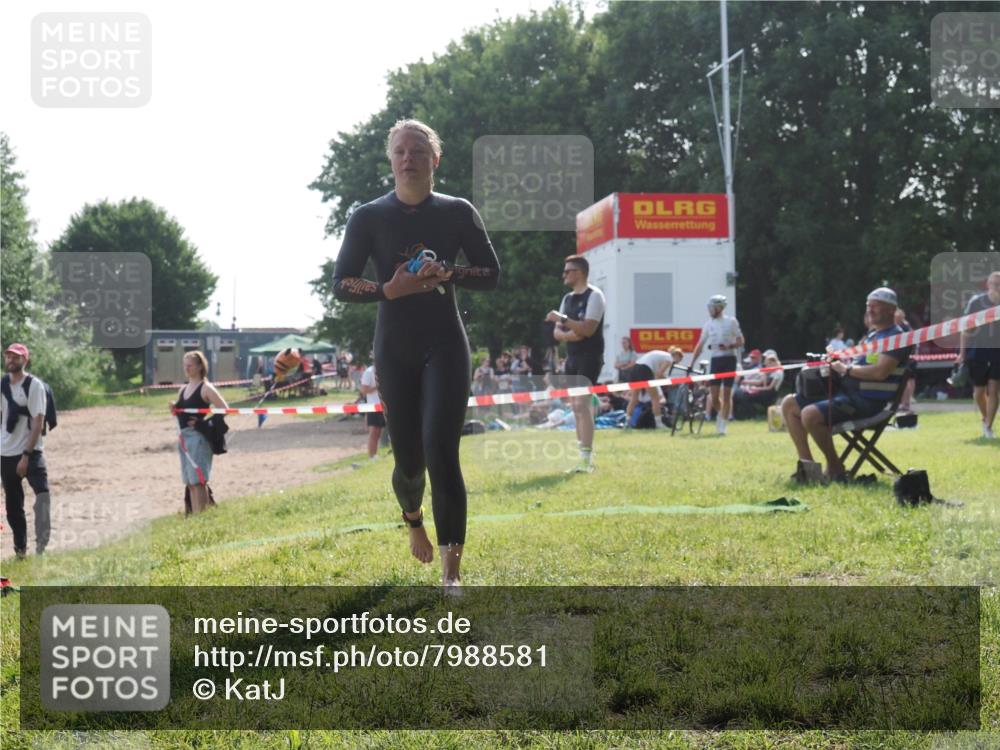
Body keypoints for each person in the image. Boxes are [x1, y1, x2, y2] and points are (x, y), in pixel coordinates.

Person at [331, 118, 500, 587]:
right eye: (401, 151)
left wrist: (449, 273)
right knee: (409, 461)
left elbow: (491, 273)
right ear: (391, 160)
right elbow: (341, 283)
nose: (409, 158)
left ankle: (452, 575)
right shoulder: (368, 216)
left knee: (441, 451)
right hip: (394, 348)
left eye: (419, 151)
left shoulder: (457, 212)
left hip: (445, 342)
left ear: (435, 160)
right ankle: (412, 518)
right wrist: (389, 288)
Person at [780, 287, 912, 481]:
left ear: (891, 310)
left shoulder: (896, 338)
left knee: (809, 414)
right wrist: (836, 363)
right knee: (788, 404)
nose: (870, 311)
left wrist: (846, 370)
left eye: (875, 306)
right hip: (848, 394)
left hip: (867, 402)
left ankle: (835, 468)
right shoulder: (873, 336)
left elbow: (879, 372)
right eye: (868, 306)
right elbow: (859, 364)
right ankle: (808, 470)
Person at [545, 254, 607, 473]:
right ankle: (583, 456)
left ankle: (586, 457)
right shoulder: (567, 298)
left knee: (582, 405)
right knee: (576, 408)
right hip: (571, 357)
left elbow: (588, 330)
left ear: (579, 272)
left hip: (590, 357)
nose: (564, 274)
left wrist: (563, 321)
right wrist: (574, 332)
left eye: (567, 271)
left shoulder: (595, 296)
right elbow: (558, 334)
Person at [1, 343, 52, 558]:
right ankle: (20, 550)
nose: (11, 360)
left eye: (17, 357)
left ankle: (42, 543)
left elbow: (38, 422)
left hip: (31, 453)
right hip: (5, 452)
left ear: (26, 361)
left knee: (42, 494)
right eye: (9, 356)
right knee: (13, 507)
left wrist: (26, 456)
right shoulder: (2, 384)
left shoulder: (34, 386)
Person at [173, 350, 229, 514]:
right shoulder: (182, 389)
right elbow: (180, 411)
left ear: (199, 366)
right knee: (189, 481)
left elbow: (224, 409)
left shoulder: (206, 388)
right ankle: (194, 515)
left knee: (199, 481)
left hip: (198, 439)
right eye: (185, 365)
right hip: (184, 438)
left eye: (190, 365)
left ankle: (201, 517)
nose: (186, 368)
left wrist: (204, 424)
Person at [689, 294, 744, 435]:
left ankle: (723, 424)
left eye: (712, 308)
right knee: (713, 397)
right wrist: (691, 363)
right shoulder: (708, 324)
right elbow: (700, 345)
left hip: (729, 359)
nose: (710, 310)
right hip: (716, 360)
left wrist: (730, 345)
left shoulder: (731, 321)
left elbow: (741, 341)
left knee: (726, 395)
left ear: (719, 308)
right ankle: (721, 415)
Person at [958, 270, 1000, 439]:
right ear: (988, 285)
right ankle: (985, 418)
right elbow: (965, 330)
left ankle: (988, 427)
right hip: (978, 350)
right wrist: (962, 353)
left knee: (994, 389)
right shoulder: (976, 303)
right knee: (978, 391)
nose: (997, 287)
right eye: (994, 284)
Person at [624, 349, 673, 429]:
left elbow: (656, 374)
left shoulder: (660, 355)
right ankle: (659, 424)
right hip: (645, 369)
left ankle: (627, 422)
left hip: (635, 368)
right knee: (655, 399)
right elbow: (659, 374)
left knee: (634, 399)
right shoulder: (669, 358)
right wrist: (669, 380)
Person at [733, 350, 784, 418]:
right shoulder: (769, 371)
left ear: (773, 362)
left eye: (767, 364)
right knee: (738, 394)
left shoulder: (778, 372)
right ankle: (737, 414)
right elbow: (764, 384)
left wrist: (756, 388)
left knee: (744, 396)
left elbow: (769, 388)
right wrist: (765, 374)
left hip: (770, 392)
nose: (766, 365)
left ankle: (753, 414)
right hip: (764, 390)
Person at [359, 362, 385, 460]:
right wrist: (378, 387)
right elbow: (363, 391)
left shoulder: (384, 369)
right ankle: (371, 456)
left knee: (379, 433)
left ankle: (374, 455)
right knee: (373, 432)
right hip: (373, 406)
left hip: (383, 406)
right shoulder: (369, 372)